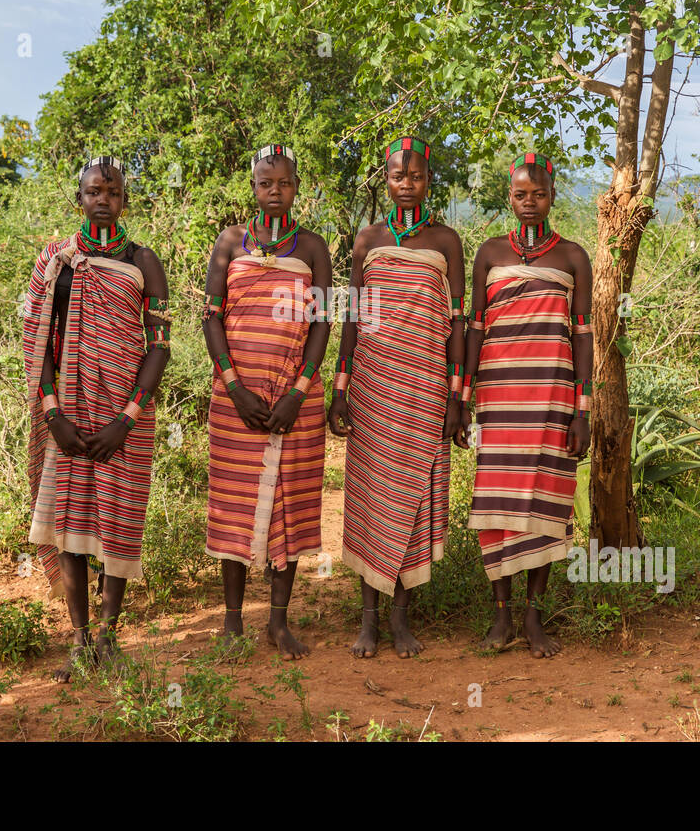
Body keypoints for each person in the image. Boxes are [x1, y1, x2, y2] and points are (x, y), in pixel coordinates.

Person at [23, 156, 171, 681]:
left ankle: (109, 637)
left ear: (124, 199)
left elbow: (159, 347)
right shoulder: (57, 261)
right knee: (70, 525)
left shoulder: (144, 260)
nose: (102, 198)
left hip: (125, 414)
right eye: (92, 191)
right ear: (79, 199)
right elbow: (37, 338)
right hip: (67, 409)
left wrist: (127, 418)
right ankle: (79, 639)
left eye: (112, 191)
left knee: (118, 521)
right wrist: (53, 414)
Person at [331, 136, 466, 659]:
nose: (406, 184)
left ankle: (401, 616)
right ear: (385, 181)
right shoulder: (367, 239)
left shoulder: (447, 241)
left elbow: (458, 323)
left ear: (428, 180)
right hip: (373, 384)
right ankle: (368, 618)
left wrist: (458, 397)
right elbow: (350, 316)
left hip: (427, 385)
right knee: (372, 496)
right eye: (396, 177)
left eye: (415, 177)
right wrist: (339, 389)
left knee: (413, 494)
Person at [460, 152, 592, 658]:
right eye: (520, 194)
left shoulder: (573, 256)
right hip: (498, 399)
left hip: (552, 398)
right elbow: (474, 327)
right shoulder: (489, 253)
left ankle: (534, 617)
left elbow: (583, 335)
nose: (529, 202)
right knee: (497, 503)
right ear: (508, 198)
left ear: (553, 195)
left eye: (538, 193)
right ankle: (501, 617)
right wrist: (463, 399)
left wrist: (582, 410)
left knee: (545, 502)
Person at [202, 144, 331, 659]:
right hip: (235, 398)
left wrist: (299, 392)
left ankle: (278, 623)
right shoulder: (230, 242)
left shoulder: (314, 247)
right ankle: (232, 623)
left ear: (296, 187)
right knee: (232, 502)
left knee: (293, 502)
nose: (274, 192)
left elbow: (322, 322)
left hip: (296, 398)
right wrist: (234, 386)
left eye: (284, 184)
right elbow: (212, 317)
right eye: (264, 183)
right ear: (251, 187)